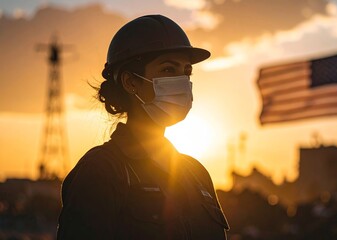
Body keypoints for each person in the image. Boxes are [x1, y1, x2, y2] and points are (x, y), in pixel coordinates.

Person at [57, 15, 229, 240]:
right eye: (168, 70)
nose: (182, 82)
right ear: (130, 82)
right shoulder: (102, 170)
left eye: (186, 72)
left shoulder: (196, 173)